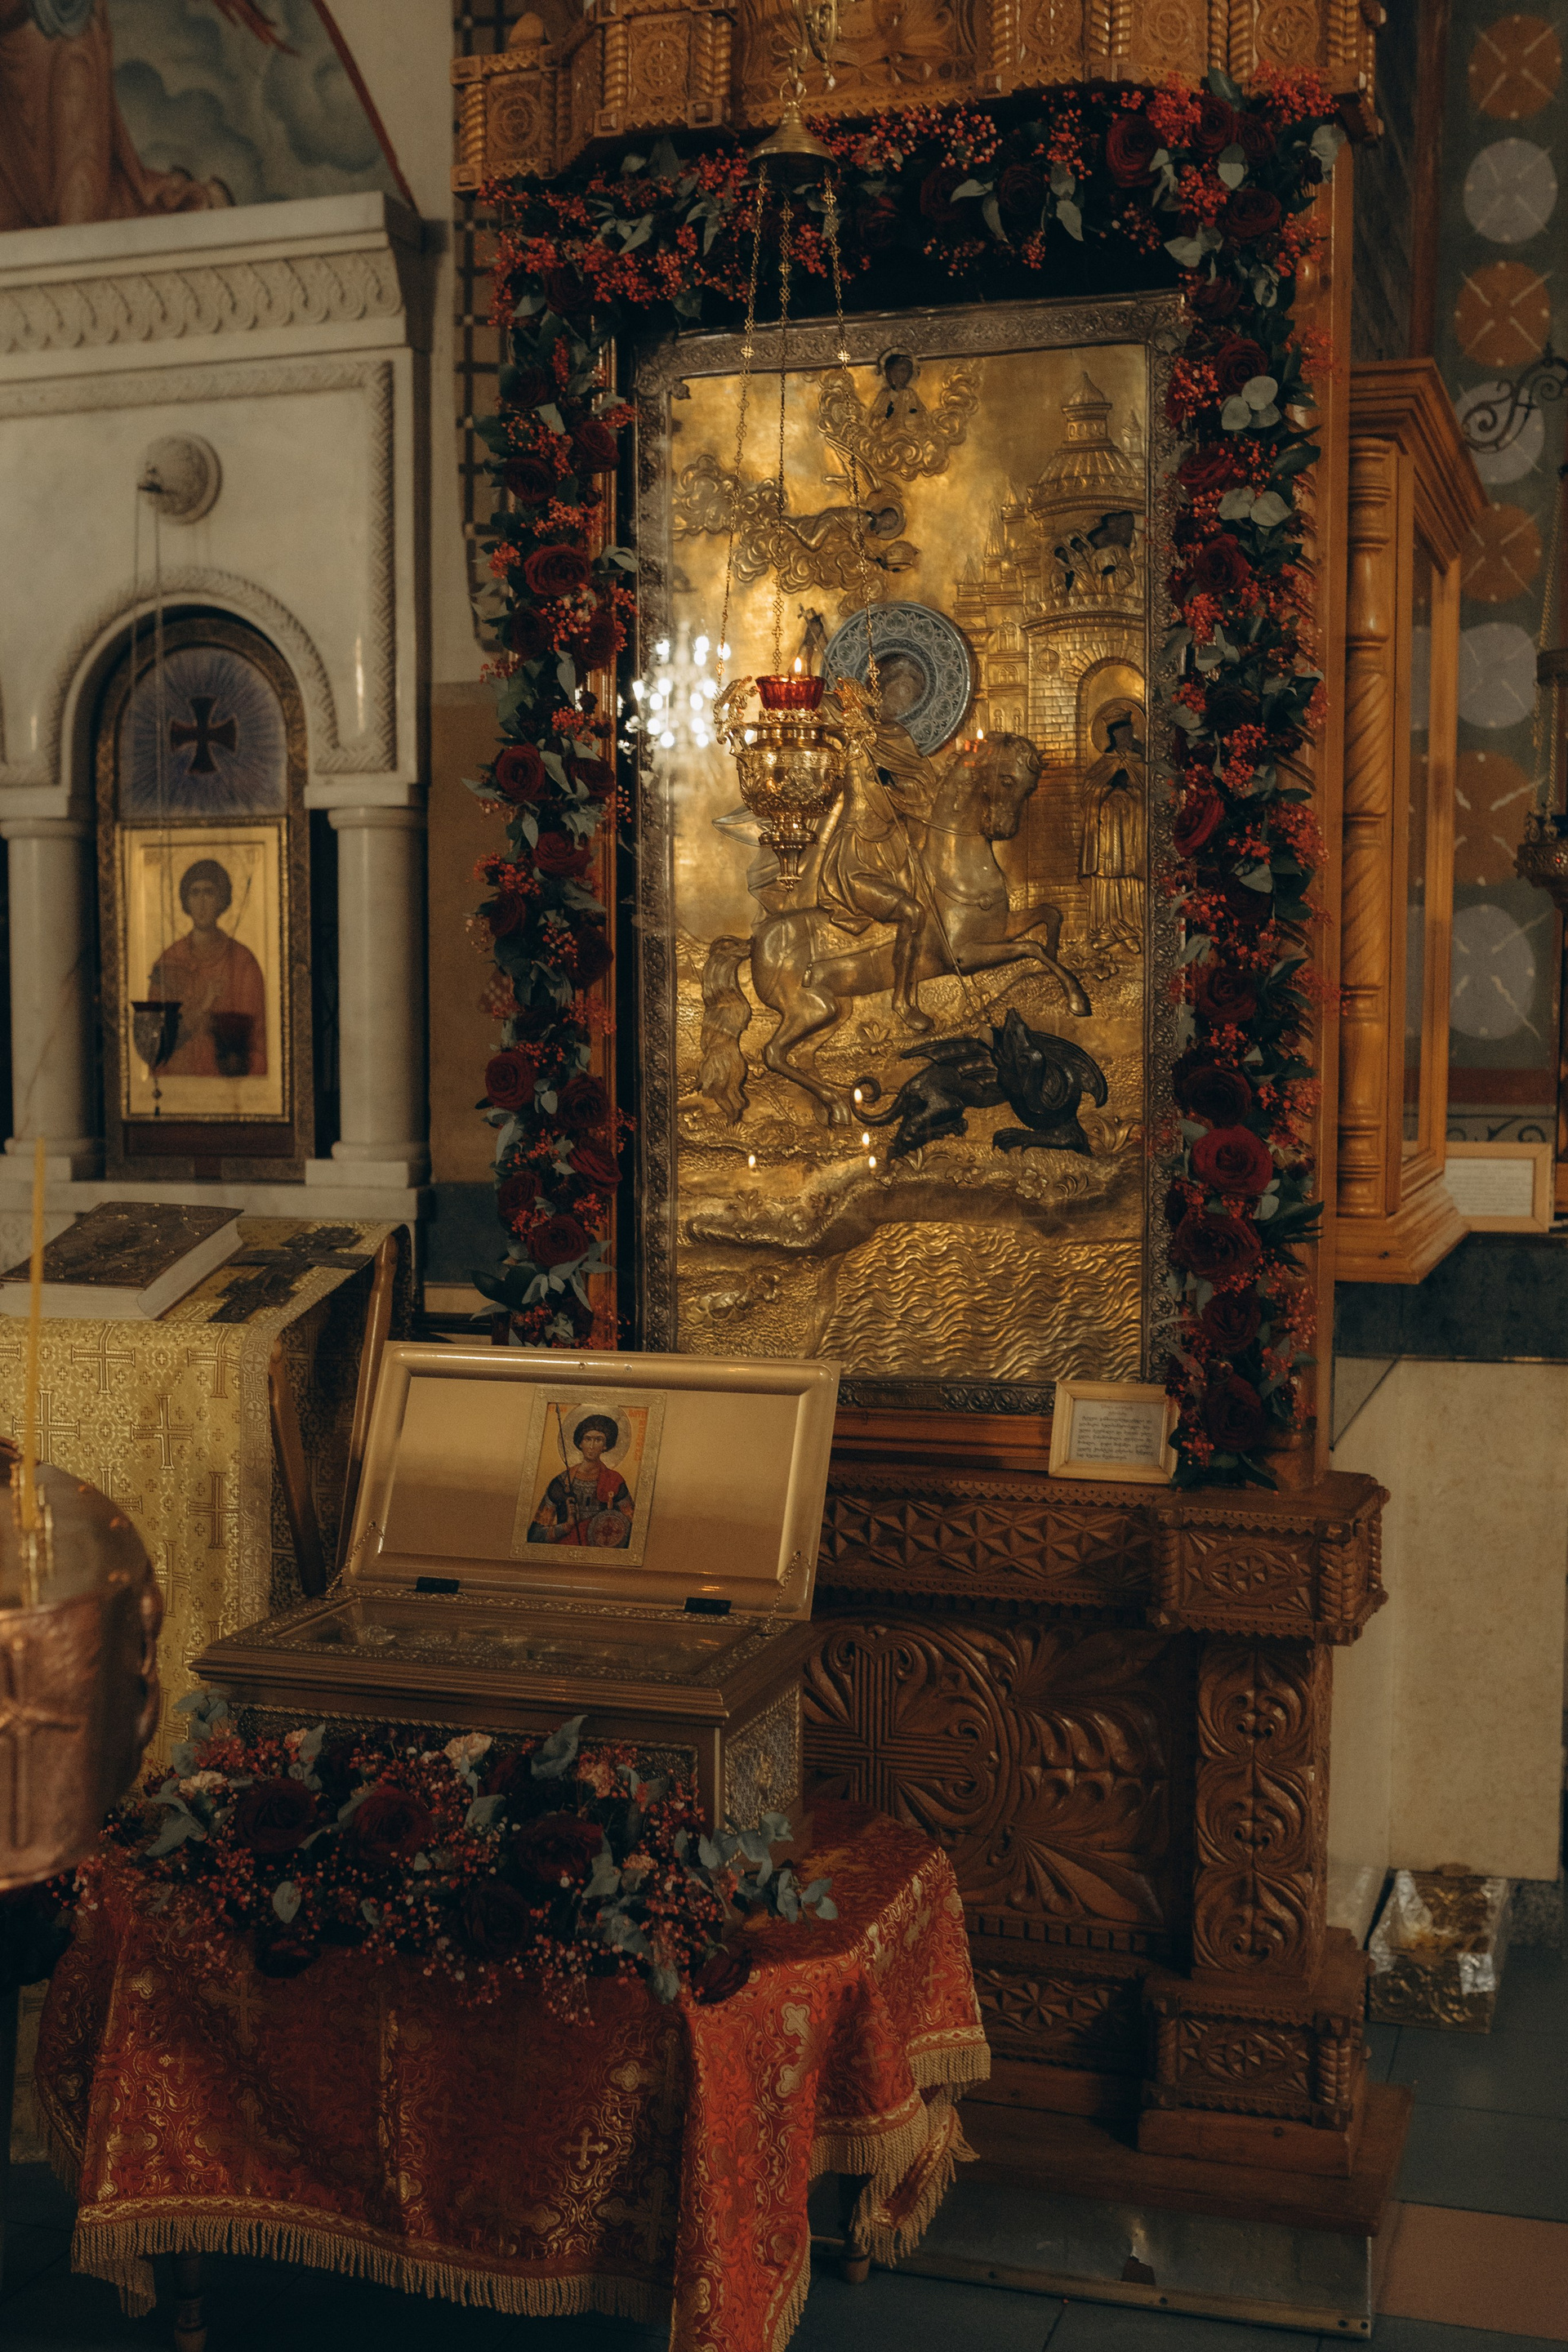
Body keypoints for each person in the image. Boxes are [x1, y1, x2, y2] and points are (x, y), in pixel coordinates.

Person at [147, 858, 267, 1076]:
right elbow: (155, 1040)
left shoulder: (243, 962)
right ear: (186, 901)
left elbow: (258, 1040)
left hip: (229, 1081)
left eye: (209, 893)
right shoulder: (169, 962)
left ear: (222, 900)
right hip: (178, 1081)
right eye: (195, 893)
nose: (201, 902)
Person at [1079, 711, 1147, 954]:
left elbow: (1149, 791)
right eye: (1121, 733)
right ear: (1113, 736)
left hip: (1131, 829)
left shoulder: (1140, 760)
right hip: (1106, 831)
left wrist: (1133, 790)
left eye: (1128, 732)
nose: (1126, 737)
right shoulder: (1105, 762)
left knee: (1129, 875)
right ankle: (1106, 931)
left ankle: (1130, 930)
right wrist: (1107, 786)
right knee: (1106, 876)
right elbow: (1089, 793)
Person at [527, 1413, 635, 1548]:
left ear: (605, 1445)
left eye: (598, 1440)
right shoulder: (561, 1483)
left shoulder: (615, 1482)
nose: (592, 1446)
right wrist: (567, 1526)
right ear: (580, 1443)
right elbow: (535, 1536)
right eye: (587, 1439)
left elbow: (634, 1530)